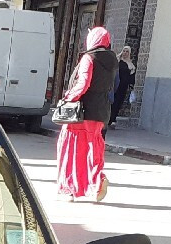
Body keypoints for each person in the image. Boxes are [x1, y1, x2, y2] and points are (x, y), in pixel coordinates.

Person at [56, 25, 117, 202]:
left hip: (81, 112)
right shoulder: (112, 60)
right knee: (94, 149)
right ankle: (98, 182)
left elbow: (83, 83)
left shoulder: (89, 58)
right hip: (100, 112)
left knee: (70, 149)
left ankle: (68, 188)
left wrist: (68, 97)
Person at [110, 44, 135, 126]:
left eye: (127, 52)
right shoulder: (117, 60)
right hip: (115, 84)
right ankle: (110, 118)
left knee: (119, 102)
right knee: (113, 101)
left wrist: (131, 85)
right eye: (124, 51)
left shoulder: (130, 65)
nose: (125, 53)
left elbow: (131, 76)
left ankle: (114, 118)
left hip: (123, 86)